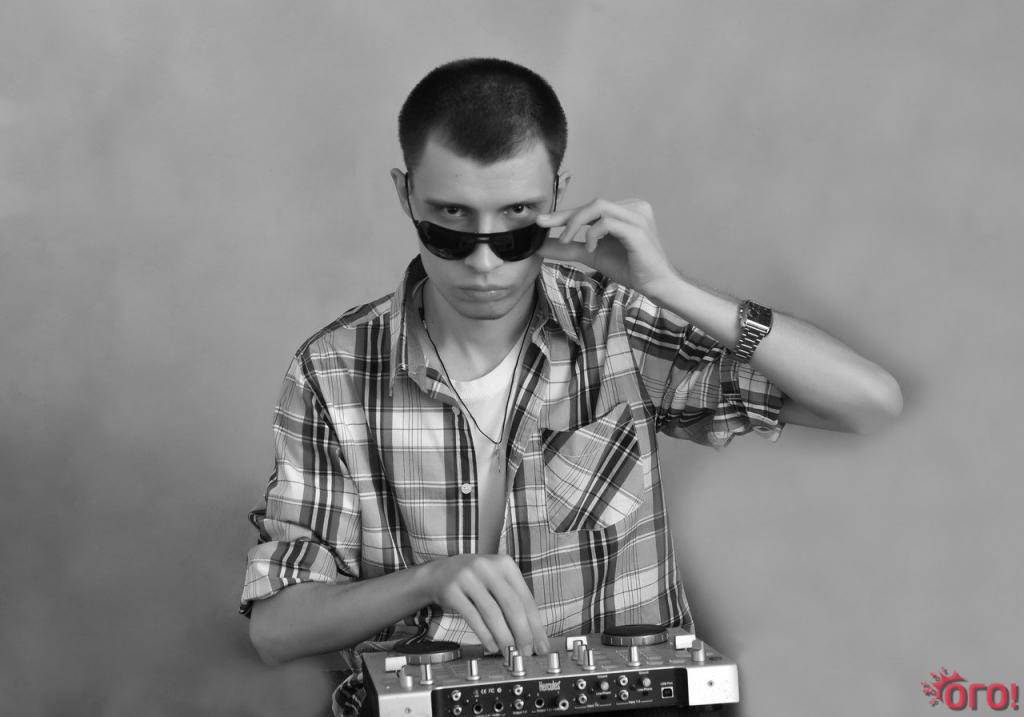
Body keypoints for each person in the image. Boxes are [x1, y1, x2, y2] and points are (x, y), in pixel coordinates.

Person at [239, 58, 902, 714]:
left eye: (517, 223)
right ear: (405, 194)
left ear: (557, 196)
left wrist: (669, 287)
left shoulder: (618, 325)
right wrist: (429, 581)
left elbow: (868, 404)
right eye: (450, 222)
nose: (483, 263)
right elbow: (276, 630)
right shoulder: (334, 370)